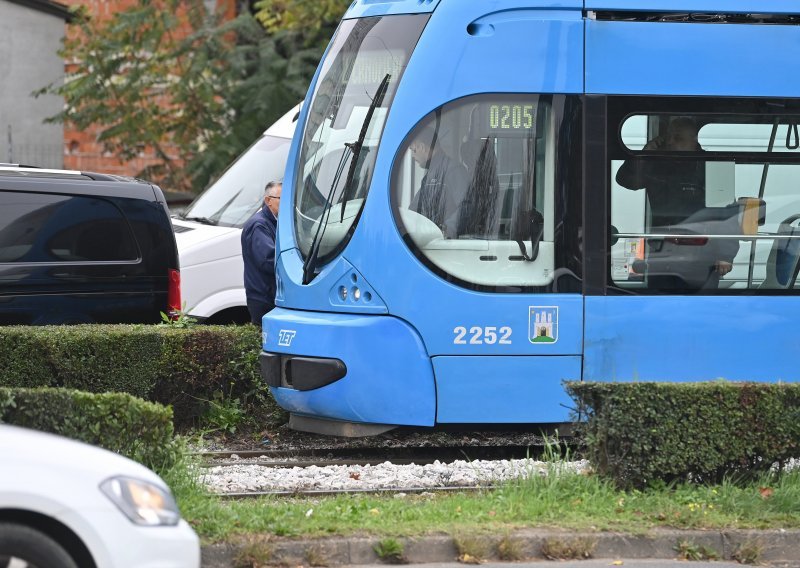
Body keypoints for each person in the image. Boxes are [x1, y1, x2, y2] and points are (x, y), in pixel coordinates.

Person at [616, 117, 737, 288]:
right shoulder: (657, 164)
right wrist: (644, 154)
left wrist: (725, 254)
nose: (671, 142)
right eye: (669, 137)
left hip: (702, 255)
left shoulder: (712, 166)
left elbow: (725, 212)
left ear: (694, 142)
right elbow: (626, 181)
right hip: (663, 253)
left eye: (678, 138)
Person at [408, 124, 468, 238]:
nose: (412, 156)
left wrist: (445, 230)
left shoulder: (453, 170)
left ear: (422, 147)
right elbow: (414, 209)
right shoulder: (430, 175)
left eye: (413, 150)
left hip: (448, 246)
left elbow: (467, 207)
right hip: (433, 241)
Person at [241, 181, 281, 325]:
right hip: (263, 297)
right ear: (268, 201)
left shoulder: (275, 221)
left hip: (269, 294)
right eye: (281, 198)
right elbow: (268, 260)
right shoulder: (259, 225)